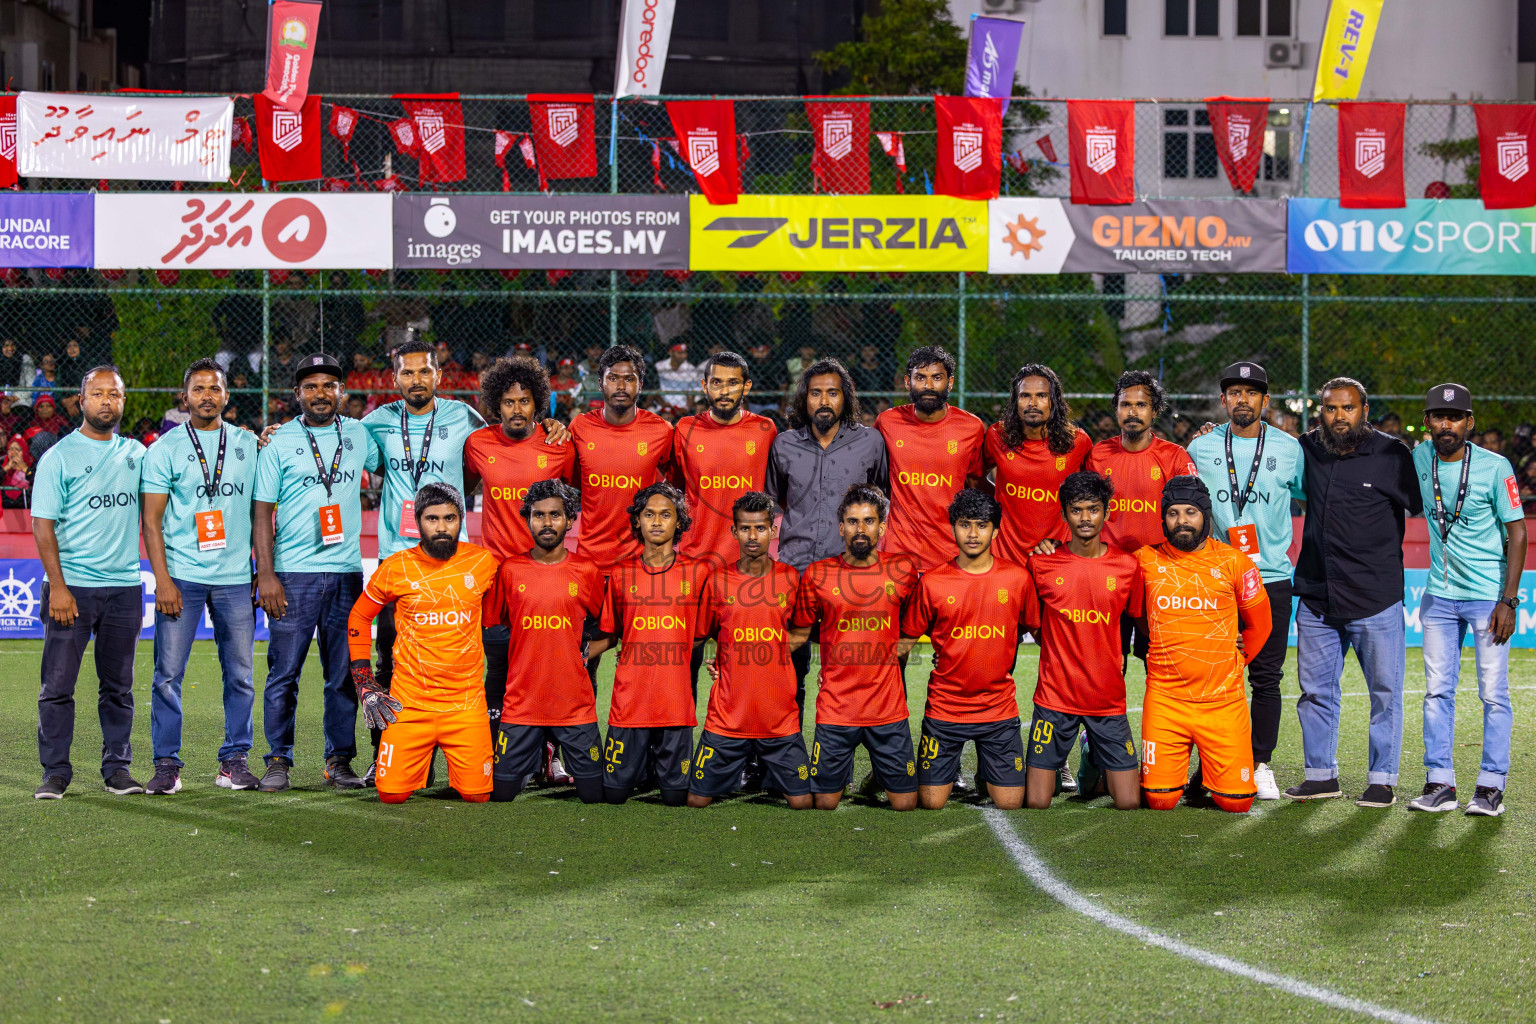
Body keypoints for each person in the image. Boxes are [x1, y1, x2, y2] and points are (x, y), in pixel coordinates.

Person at [357, 338, 489, 780]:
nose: (417, 380)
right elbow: (339, 441)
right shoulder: (375, 421)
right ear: (394, 378)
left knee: (458, 659)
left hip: (453, 560)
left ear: (439, 374)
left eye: (425, 371)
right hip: (399, 559)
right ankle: (390, 757)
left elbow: (479, 466)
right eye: (407, 373)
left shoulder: (464, 416)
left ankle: (459, 751)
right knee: (391, 661)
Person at [1287, 377, 1422, 808]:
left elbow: (1426, 507)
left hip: (1375, 596)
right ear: (1320, 412)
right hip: (1317, 594)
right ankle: (1320, 776)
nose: (1339, 416)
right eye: (1330, 408)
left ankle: (1382, 778)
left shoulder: (1393, 454)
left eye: (1348, 408)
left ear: (1364, 409)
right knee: (1315, 692)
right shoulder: (1305, 449)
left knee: (1385, 692)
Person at [252, 354, 383, 793]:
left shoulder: (360, 434)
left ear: (341, 392)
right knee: (283, 672)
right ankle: (277, 761)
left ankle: (339, 760)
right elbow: (261, 512)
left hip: (346, 572)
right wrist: (265, 574)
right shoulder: (279, 440)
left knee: (343, 673)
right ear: (298, 394)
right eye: (311, 387)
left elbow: (397, 463)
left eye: (329, 385)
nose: (320, 394)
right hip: (292, 574)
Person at [1186, 362, 1306, 801]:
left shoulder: (1290, 449)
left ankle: (1260, 764)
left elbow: (1312, 495)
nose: (1242, 399)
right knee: (1213, 675)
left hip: (1271, 578)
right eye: (1234, 392)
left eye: (1251, 393)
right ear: (1223, 401)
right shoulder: (1200, 449)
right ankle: (1209, 766)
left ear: (1265, 401)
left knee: (1266, 676)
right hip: (1217, 578)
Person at [140, 359, 261, 795]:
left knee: (242, 675)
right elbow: (150, 521)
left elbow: (263, 513)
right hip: (183, 578)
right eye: (198, 389)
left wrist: (260, 570)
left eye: (215, 388)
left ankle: (234, 761)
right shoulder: (165, 448)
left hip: (233, 577)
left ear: (226, 396)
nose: (207, 395)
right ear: (184, 396)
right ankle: (167, 765)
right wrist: (163, 580)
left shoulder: (249, 445)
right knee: (167, 675)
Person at [1406, 384, 1525, 817]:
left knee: (1493, 694)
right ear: (1428, 421)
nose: (1445, 425)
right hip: (1438, 597)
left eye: (1454, 417)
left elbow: (1518, 532)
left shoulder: (1495, 467)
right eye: (1437, 417)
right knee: (1437, 691)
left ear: (1468, 422)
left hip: (1486, 599)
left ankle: (1491, 787)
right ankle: (1440, 782)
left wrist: (1508, 601)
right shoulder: (1420, 457)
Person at [346, 483, 500, 804]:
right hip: (410, 705)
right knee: (390, 795)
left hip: (465, 706)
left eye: (450, 518)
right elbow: (359, 618)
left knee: (478, 796)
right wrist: (364, 683)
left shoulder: (484, 563)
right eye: (432, 519)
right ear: (417, 522)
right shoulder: (395, 567)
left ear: (462, 520)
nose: (442, 527)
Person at [31, 367, 144, 800]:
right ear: (81, 401)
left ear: (123, 402)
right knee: (57, 687)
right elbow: (43, 527)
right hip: (71, 590)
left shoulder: (138, 454)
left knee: (118, 687)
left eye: (113, 395)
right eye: (97, 394)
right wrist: (57, 586)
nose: (105, 402)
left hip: (124, 589)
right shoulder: (59, 456)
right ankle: (55, 772)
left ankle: (117, 769)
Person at [1135, 476, 1271, 812]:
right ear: (1163, 518)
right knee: (1159, 800)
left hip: (1222, 703)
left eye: (1191, 512)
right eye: (1173, 513)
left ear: (1205, 516)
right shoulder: (1143, 561)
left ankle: (1209, 774)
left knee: (1236, 804)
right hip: (1166, 701)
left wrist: (1238, 661)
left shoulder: (1235, 562)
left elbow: (1261, 623)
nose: (1182, 521)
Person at [462, 356, 575, 734]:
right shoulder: (477, 444)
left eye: (524, 400)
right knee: (498, 666)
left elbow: (573, 502)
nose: (516, 409)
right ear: (496, 404)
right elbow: (459, 492)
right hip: (497, 578)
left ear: (537, 403)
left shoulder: (559, 445)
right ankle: (497, 748)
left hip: (546, 576)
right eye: (508, 402)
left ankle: (552, 752)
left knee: (551, 666)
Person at [766, 359, 888, 705]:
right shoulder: (784, 445)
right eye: (816, 393)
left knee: (851, 672)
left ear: (845, 398)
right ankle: (787, 753)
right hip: (796, 573)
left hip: (849, 576)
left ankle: (847, 750)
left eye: (832, 393)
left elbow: (881, 501)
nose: (824, 401)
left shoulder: (871, 443)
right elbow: (773, 504)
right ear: (804, 398)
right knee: (790, 670)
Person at [899, 490, 1031, 811]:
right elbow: (904, 642)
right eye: (964, 524)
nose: (973, 534)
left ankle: (988, 770)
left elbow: (1027, 626)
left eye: (982, 525)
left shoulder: (1017, 579)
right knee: (931, 803)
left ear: (996, 530)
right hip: (945, 709)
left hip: (998, 710)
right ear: (953, 528)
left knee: (1011, 803)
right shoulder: (932, 582)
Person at [791, 484, 919, 811]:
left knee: (906, 804)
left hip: (887, 708)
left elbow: (914, 625)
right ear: (840, 527)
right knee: (823, 802)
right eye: (852, 521)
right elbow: (801, 633)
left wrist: (890, 657)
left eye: (868, 521)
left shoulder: (903, 569)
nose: (860, 529)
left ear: (883, 527)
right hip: (838, 707)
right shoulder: (818, 574)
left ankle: (878, 777)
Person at [1019, 473, 1142, 811]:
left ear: (1106, 512)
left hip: (1107, 698)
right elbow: (1034, 623)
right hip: (1055, 696)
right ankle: (1068, 760)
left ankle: (1091, 754)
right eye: (1076, 510)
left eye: (1093, 510)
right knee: (1036, 802)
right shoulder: (1041, 563)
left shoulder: (1127, 566)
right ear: (1064, 514)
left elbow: (1134, 622)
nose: (1085, 518)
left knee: (1129, 802)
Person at [688, 493, 811, 809]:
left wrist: (774, 648)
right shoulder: (717, 580)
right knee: (696, 801)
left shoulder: (790, 578)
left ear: (773, 531)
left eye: (760, 528)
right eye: (745, 528)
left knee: (803, 803)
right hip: (727, 718)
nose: (752, 536)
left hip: (779, 718)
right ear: (734, 532)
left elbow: (801, 629)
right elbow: (703, 633)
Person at [589, 482, 709, 806]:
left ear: (679, 522)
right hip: (629, 705)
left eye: (665, 514)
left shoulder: (698, 573)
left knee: (675, 798)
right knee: (613, 796)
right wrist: (577, 655)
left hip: (675, 707)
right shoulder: (620, 573)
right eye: (649, 514)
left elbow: (700, 634)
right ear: (637, 521)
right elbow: (611, 633)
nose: (656, 521)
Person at [492, 479, 605, 804]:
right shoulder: (510, 570)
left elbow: (608, 628)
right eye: (539, 515)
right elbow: (493, 626)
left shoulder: (586, 571)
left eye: (555, 515)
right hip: (521, 708)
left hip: (575, 709)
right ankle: (538, 758)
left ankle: (551, 757)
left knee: (595, 795)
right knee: (501, 794)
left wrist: (586, 652)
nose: (546, 522)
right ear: (528, 519)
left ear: (570, 520)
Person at [672, 351, 777, 693]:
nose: (724, 390)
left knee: (745, 665)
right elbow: (676, 488)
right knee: (685, 663)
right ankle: (679, 743)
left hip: (745, 566)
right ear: (705, 386)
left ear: (746, 386)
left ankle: (743, 737)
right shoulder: (684, 429)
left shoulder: (765, 430)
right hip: (695, 562)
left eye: (733, 383)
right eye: (717, 382)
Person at [571, 345, 676, 682]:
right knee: (584, 657)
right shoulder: (579, 429)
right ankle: (580, 734)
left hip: (640, 566)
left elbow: (677, 488)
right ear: (600, 383)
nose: (620, 385)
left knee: (641, 662)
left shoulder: (660, 431)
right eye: (612, 377)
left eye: (628, 378)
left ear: (639, 385)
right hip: (591, 566)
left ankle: (634, 733)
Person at [1087, 370, 1196, 666]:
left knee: (1163, 667)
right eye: (1125, 405)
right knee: (1106, 668)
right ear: (1116, 409)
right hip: (1109, 577)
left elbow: (1193, 517)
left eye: (1141, 405)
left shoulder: (1174, 457)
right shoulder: (1097, 455)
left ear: (1155, 411)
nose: (1132, 412)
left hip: (1160, 577)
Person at [876, 346, 986, 573]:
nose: (928, 386)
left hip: (949, 552)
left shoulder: (971, 427)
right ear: (908, 382)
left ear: (950, 382)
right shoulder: (887, 422)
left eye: (937, 378)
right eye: (920, 378)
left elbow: (976, 483)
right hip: (896, 552)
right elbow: (876, 479)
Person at [985, 363, 1093, 562]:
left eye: (1041, 396)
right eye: (1025, 395)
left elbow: (1091, 498)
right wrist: (1001, 501)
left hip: (1055, 554)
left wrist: (1068, 538)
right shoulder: (997, 436)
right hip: (1005, 554)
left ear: (1053, 401)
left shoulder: (1078, 441)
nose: (1032, 403)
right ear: (1015, 401)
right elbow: (974, 478)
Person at [655, 342, 698, 410]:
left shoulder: (691, 369)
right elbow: (654, 389)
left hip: (683, 409)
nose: (684, 356)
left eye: (685, 353)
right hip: (662, 407)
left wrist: (686, 409)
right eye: (680, 353)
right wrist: (664, 406)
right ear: (670, 352)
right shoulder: (659, 367)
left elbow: (692, 394)